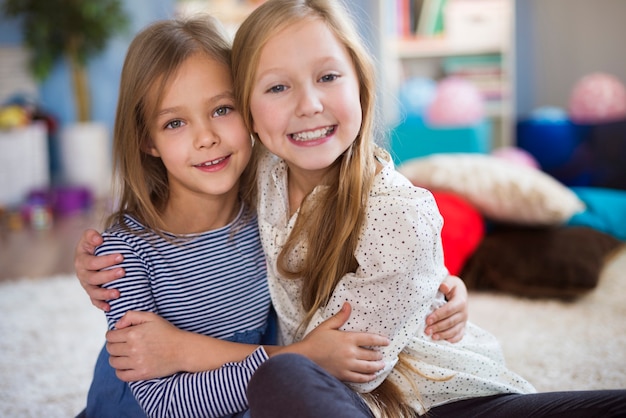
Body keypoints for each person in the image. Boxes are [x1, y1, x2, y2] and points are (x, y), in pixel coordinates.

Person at [77, 0, 626, 416]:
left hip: (434, 396)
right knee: (275, 380)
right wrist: (94, 261)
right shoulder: (257, 178)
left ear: (361, 83)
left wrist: (184, 349)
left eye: (327, 76)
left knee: (285, 378)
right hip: (325, 395)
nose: (308, 105)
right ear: (254, 110)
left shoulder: (392, 211)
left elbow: (344, 359)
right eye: (277, 87)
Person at [77, 15, 395, 418]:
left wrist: (436, 284)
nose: (206, 137)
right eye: (174, 122)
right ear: (146, 140)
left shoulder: (272, 202)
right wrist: (300, 357)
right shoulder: (125, 253)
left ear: (249, 107)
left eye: (222, 109)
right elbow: (163, 402)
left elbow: (367, 242)